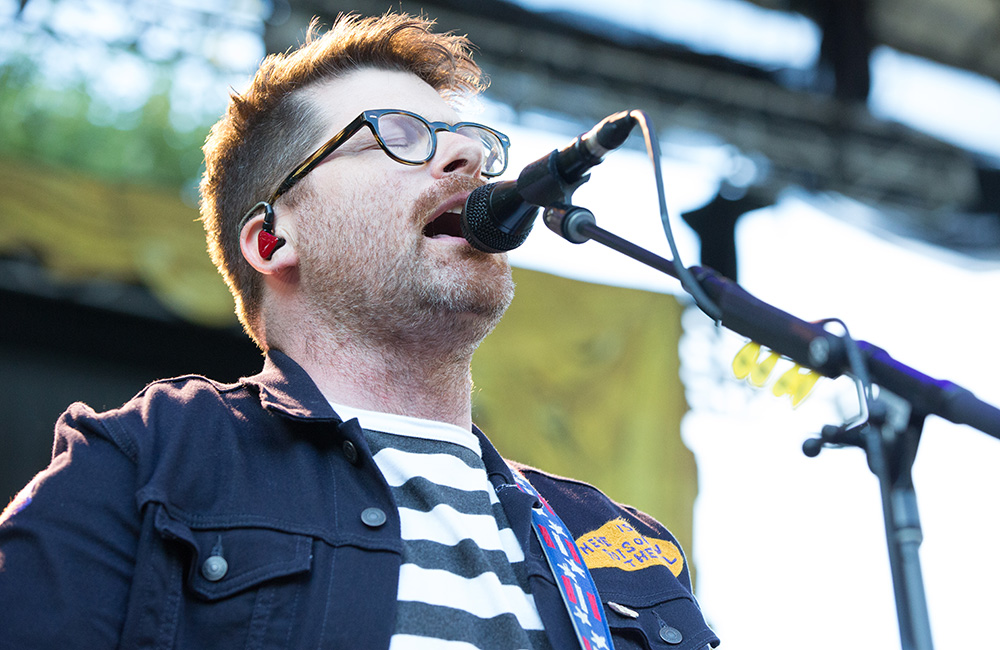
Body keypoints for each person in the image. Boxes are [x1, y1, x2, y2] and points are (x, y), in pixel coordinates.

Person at [0, 12, 719, 650]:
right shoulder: (148, 458)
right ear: (272, 241)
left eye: (467, 140)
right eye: (397, 136)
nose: (465, 159)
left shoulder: (620, 545)